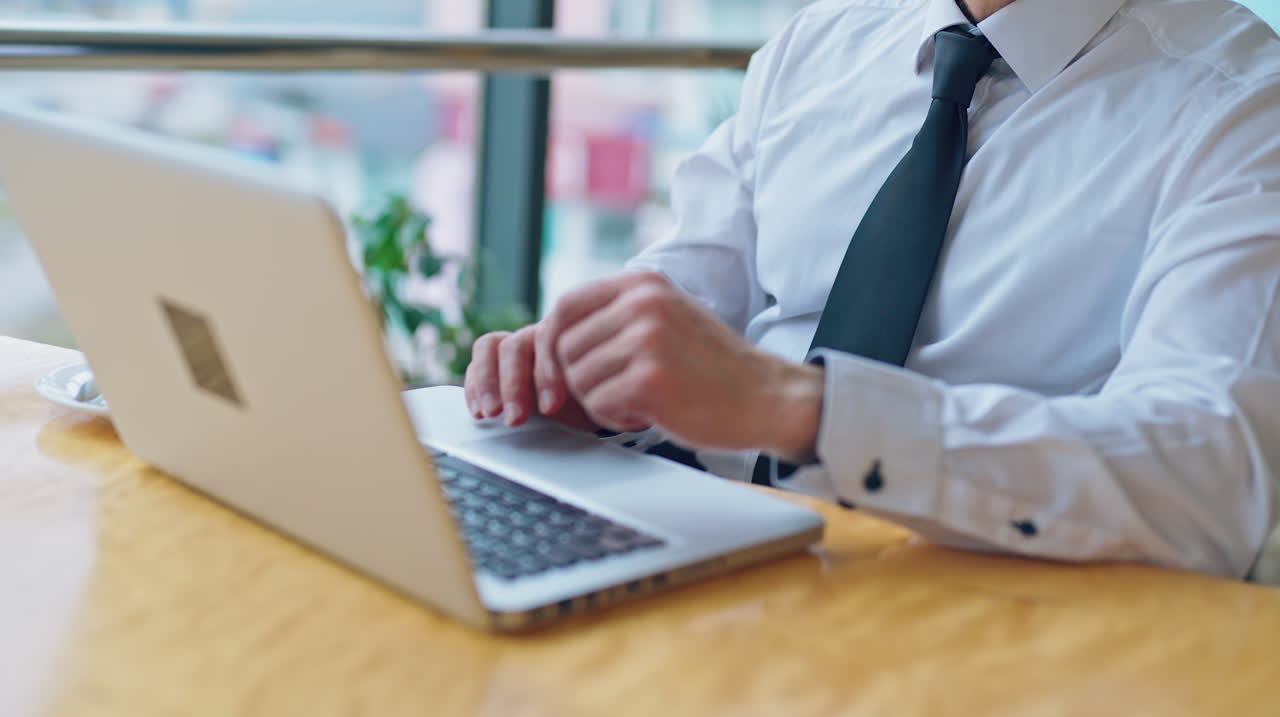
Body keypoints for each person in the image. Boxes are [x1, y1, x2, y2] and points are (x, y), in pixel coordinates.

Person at [464, 0, 1280, 580]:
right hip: (696, 541)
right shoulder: (817, 43)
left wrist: (805, 410)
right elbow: (697, 275)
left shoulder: (1246, 108)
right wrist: (587, 363)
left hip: (969, 597)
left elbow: (1209, 475)